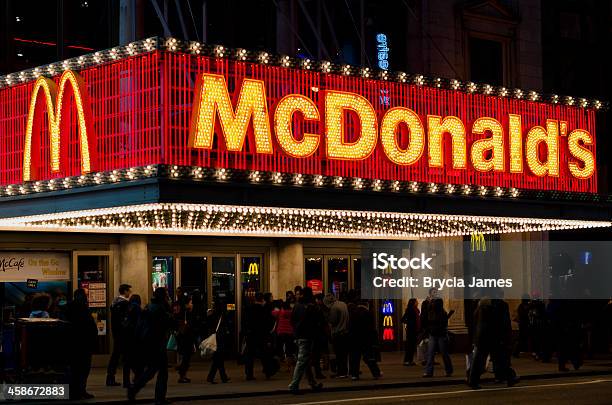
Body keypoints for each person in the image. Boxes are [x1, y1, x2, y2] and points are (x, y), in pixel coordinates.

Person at [128, 287, 174, 405]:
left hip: (148, 343)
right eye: (166, 294)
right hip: (157, 343)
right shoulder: (160, 308)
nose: (168, 296)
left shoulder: (149, 306)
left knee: (152, 370)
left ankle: (135, 389)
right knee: (160, 372)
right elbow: (165, 324)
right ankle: (158, 398)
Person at [468, 297, 518, 389]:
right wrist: (506, 338)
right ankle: (510, 377)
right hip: (493, 336)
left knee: (479, 360)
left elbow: (474, 321)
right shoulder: (500, 305)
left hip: (481, 337)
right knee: (500, 359)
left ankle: (473, 380)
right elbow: (503, 323)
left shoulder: (480, 305)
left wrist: (475, 337)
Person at [288, 287, 324, 393]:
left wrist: (296, 330)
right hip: (307, 336)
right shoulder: (311, 306)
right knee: (302, 360)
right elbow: (318, 321)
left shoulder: (297, 306)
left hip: (298, 335)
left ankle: (312, 383)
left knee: (305, 361)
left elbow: (292, 320)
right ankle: (294, 384)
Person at [65, 288, 98, 400]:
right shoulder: (84, 309)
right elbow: (91, 327)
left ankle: (72, 391)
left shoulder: (67, 308)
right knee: (83, 369)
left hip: (71, 343)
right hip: (84, 344)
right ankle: (81, 390)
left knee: (73, 369)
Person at [348, 295, 381, 381]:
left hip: (355, 338)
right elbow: (371, 328)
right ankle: (376, 373)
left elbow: (350, 326)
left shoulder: (353, 312)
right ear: (366, 304)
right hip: (366, 339)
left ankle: (354, 375)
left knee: (355, 357)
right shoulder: (368, 313)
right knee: (369, 357)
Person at [243, 292, 276, 380]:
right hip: (261, 335)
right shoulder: (263, 310)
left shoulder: (249, 309)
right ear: (262, 300)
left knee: (250, 355)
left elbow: (246, 322)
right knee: (264, 354)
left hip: (251, 334)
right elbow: (268, 322)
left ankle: (249, 374)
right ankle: (268, 372)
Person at [106, 283, 132, 387]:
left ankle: (110, 377)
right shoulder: (125, 304)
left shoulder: (114, 303)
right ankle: (127, 381)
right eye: (129, 291)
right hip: (124, 334)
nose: (130, 293)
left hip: (116, 333)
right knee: (126, 357)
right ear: (125, 291)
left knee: (115, 356)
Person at [422, 298, 453, 378]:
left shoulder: (439, 312)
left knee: (439, 353)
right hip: (437, 334)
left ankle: (431, 372)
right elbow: (442, 324)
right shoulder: (436, 312)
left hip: (438, 334)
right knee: (435, 353)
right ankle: (431, 372)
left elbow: (431, 323)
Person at [324, 293, 350, 378]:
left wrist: (327, 317)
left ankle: (341, 372)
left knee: (339, 354)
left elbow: (333, 321)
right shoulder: (343, 304)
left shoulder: (334, 308)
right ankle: (345, 371)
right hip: (345, 332)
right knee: (344, 354)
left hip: (338, 333)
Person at [206, 299, 231, 383]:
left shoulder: (212, 314)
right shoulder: (222, 315)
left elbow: (208, 324)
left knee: (218, 359)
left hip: (214, 337)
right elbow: (227, 325)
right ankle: (212, 377)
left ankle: (222, 377)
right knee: (218, 359)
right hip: (220, 337)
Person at [124, 294, 144, 385]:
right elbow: (140, 323)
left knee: (127, 361)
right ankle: (138, 377)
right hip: (135, 337)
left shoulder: (127, 308)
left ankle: (126, 380)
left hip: (127, 337)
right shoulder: (138, 309)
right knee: (138, 359)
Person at [175, 294, 195, 383]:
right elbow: (189, 327)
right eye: (191, 303)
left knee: (185, 358)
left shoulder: (183, 312)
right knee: (186, 358)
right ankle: (182, 375)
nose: (192, 304)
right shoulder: (186, 313)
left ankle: (183, 374)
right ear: (186, 304)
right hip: (186, 339)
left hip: (183, 338)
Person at [273, 299, 296, 370]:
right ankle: (289, 366)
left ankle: (278, 365)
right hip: (290, 332)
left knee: (279, 348)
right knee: (289, 350)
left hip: (281, 332)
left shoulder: (280, 312)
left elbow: (273, 313)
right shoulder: (292, 313)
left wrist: (277, 309)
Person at [401, 298, 421, 366]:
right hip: (411, 330)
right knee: (409, 346)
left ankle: (410, 360)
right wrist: (409, 323)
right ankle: (407, 361)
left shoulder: (416, 310)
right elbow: (403, 319)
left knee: (412, 346)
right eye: (416, 302)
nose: (417, 303)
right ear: (413, 303)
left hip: (415, 330)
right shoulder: (410, 309)